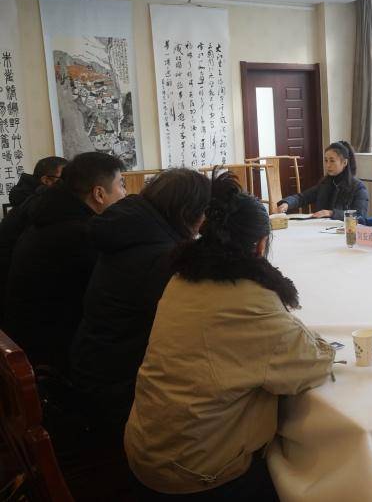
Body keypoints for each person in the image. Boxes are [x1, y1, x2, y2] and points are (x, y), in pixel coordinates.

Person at [125, 172, 334, 501]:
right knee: (310, 471)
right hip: (196, 471)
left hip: (147, 447)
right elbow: (312, 364)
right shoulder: (251, 300)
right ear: (261, 245)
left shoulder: (182, 278)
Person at [70, 169, 211, 447]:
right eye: (204, 212)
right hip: (118, 390)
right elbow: (192, 330)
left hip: (92, 366)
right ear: (188, 213)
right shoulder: (160, 255)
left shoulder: (133, 231)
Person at [3, 152, 126, 372]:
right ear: (99, 193)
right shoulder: (82, 235)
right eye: (121, 184)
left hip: (28, 340)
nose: (124, 193)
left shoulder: (48, 216)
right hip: (53, 358)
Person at [0, 156, 68, 316]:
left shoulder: (29, 200)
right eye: (65, 179)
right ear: (46, 180)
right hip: (14, 291)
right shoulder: (38, 206)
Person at [276, 140, 369, 220]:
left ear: (344, 162)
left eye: (332, 161)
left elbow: (360, 216)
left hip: (344, 231)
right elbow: (302, 197)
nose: (328, 165)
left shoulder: (358, 188)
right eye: (326, 160)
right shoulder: (324, 184)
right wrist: (287, 203)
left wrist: (331, 213)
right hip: (321, 229)